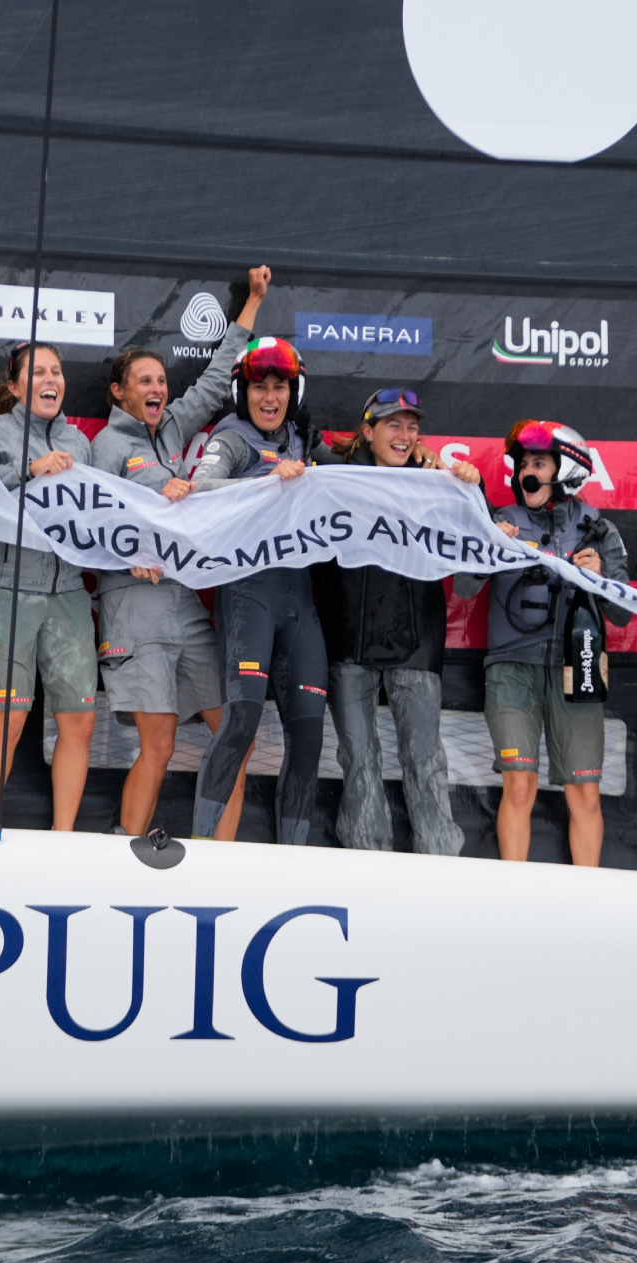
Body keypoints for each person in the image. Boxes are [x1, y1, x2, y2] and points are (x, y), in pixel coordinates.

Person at [89, 267, 270, 839]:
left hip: (185, 603)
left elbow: (218, 378)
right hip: (130, 608)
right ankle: (126, 856)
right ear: (119, 392)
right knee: (160, 744)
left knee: (236, 734)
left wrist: (254, 303)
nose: (156, 388)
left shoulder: (170, 429)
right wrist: (124, 557)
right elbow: (85, 527)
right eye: (143, 381)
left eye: (161, 380)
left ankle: (221, 856)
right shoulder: (105, 446)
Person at [310, 389, 480, 854]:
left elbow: (469, 575)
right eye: (393, 425)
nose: (404, 436)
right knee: (359, 760)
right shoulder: (333, 479)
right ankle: (368, 861)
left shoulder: (436, 484)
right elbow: (299, 430)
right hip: (347, 641)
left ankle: (440, 861)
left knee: (425, 759)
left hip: (417, 644)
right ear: (368, 431)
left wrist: (472, 492)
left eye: (412, 427)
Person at [181, 337, 327, 845]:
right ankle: (200, 848)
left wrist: (439, 473)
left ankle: (292, 861)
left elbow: (363, 478)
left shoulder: (302, 436)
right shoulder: (233, 436)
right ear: (243, 392)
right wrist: (267, 483)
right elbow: (199, 491)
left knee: (309, 739)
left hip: (300, 604)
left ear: (295, 391)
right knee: (241, 724)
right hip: (249, 597)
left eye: (280, 387)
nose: (270, 397)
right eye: (259, 386)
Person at [476, 420, 630, 866]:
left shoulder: (601, 530)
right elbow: (466, 587)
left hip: (577, 667)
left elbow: (622, 614)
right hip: (510, 670)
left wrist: (600, 579)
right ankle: (513, 896)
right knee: (518, 783)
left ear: (569, 471)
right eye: (523, 464)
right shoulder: (500, 521)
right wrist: (488, 548)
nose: (527, 472)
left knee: (584, 791)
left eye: (539, 463)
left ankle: (585, 902)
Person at [0, 341, 97, 830]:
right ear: (15, 385)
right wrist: (30, 469)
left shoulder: (81, 443)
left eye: (57, 371)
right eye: (37, 372)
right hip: (2, 584)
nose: (50, 380)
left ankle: (62, 840)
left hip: (67, 588)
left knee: (79, 719)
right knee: (12, 717)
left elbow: (105, 510)